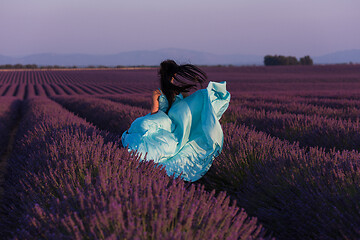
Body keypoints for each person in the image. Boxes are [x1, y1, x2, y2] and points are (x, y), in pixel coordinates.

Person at [121, 59, 230, 182]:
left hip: (161, 119)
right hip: (173, 122)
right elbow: (189, 107)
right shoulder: (180, 92)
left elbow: (154, 112)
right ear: (174, 74)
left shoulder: (157, 93)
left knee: (144, 129)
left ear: (161, 75)